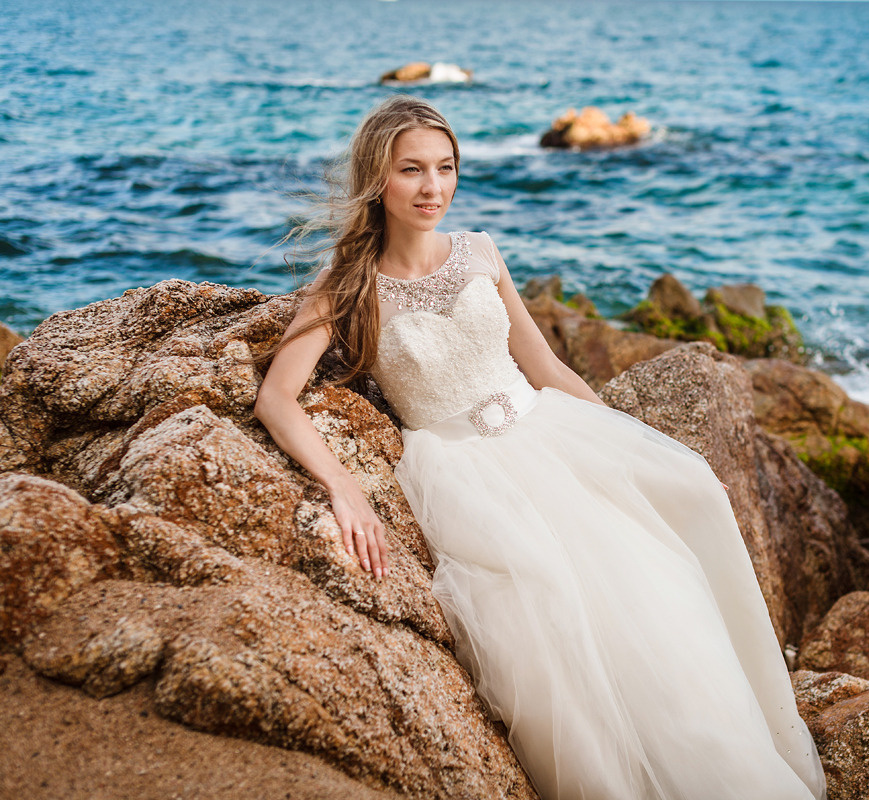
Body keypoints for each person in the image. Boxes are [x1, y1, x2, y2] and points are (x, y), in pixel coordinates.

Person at [252, 94, 827, 800]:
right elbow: (277, 398)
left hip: (546, 435)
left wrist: (636, 445)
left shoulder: (480, 251)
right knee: (550, 625)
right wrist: (343, 488)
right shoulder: (347, 285)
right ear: (378, 178)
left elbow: (545, 366)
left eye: (445, 167)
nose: (434, 188)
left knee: (659, 587)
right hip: (459, 472)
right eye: (412, 170)